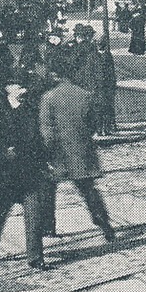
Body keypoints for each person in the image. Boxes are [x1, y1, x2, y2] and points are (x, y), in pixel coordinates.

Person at [39, 48, 118, 244]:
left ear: (55, 75)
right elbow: (93, 123)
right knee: (89, 190)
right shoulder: (84, 95)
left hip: (58, 155)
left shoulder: (48, 98)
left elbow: (47, 132)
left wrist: (44, 154)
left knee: (48, 190)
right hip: (82, 150)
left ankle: (48, 226)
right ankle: (105, 226)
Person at [0, 75, 49, 269]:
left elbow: (41, 140)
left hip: (28, 172)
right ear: (8, 88)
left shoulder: (32, 110)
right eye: (18, 85)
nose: (23, 89)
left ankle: (35, 257)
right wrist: (2, 150)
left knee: (34, 216)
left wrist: (42, 159)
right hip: (3, 173)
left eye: (24, 86)